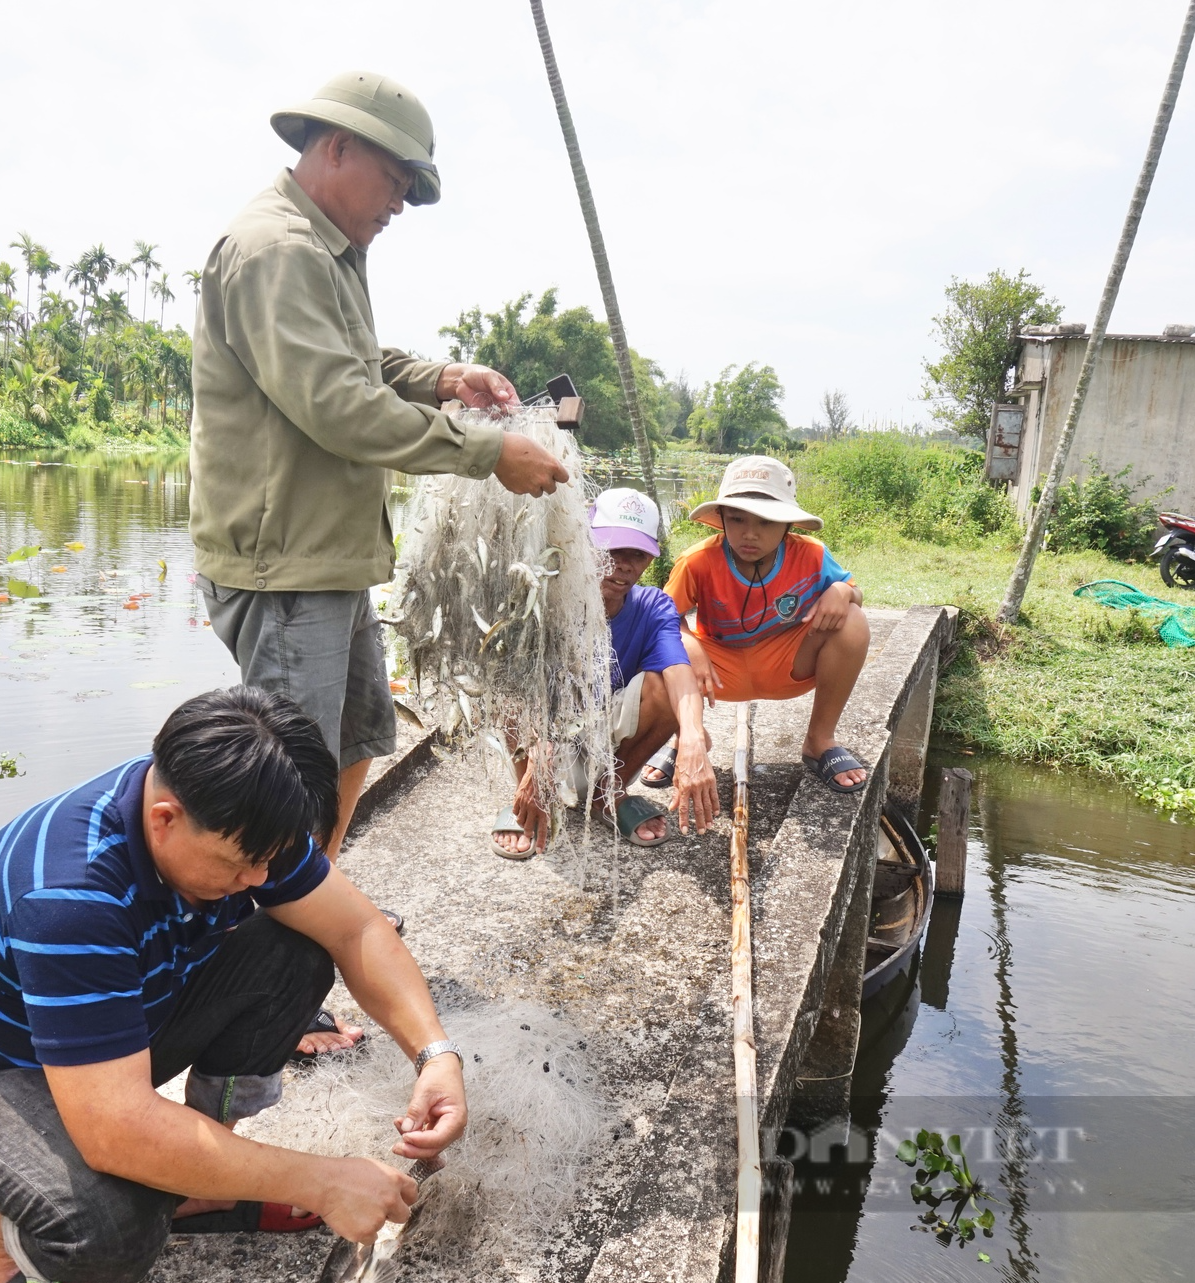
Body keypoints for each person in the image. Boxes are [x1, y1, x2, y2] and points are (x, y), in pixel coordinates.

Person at [0, 687, 468, 1283]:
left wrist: (435, 1056)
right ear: (164, 818)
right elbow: (114, 1129)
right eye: (241, 866)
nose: (257, 881)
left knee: (294, 951)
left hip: (100, 1048)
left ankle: (199, 1181)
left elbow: (355, 930)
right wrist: (319, 1181)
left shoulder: (244, 815)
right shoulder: (71, 896)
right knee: (113, 1228)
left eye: (268, 862)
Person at [191, 71, 569, 863]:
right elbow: (338, 406)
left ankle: (311, 889)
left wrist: (440, 379)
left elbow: (358, 364)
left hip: (329, 559)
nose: (396, 205)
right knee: (288, 773)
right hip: (285, 570)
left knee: (360, 731)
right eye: (393, 184)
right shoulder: (275, 250)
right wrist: (489, 451)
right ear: (336, 149)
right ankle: (271, 935)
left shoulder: (330, 248)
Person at [490, 488, 718, 858]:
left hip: (608, 741)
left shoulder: (653, 605)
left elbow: (678, 671)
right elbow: (524, 681)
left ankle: (606, 793)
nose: (623, 564)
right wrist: (538, 757)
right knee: (506, 683)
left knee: (667, 686)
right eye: (611, 549)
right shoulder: (546, 596)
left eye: (637, 555)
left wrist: (691, 738)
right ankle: (531, 796)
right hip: (543, 736)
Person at [663, 456, 872, 793]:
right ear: (722, 519)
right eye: (737, 519)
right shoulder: (697, 562)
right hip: (717, 672)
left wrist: (841, 591)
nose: (750, 534)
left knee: (853, 621)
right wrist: (690, 646)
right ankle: (686, 737)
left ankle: (820, 740)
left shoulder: (813, 555)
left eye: (766, 522)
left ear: (788, 525)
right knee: (660, 647)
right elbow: (663, 617)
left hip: (787, 663)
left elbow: (854, 592)